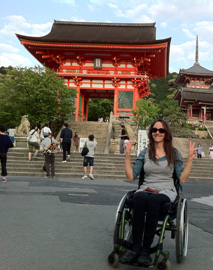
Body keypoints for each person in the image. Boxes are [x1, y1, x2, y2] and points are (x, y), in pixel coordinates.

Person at [120, 119, 197, 266]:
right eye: (155, 130)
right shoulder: (145, 153)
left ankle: (145, 251)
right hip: (146, 187)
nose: (157, 133)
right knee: (141, 197)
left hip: (166, 190)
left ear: (166, 133)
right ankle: (135, 249)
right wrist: (127, 155)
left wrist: (190, 160)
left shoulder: (174, 154)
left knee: (154, 200)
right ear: (151, 133)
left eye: (161, 130)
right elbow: (131, 177)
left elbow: (183, 179)